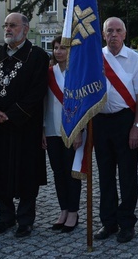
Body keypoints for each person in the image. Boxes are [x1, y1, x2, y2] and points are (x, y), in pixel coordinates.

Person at [0, 13, 48, 238]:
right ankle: (5, 216)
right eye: (5, 25)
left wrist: (11, 114)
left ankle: (25, 219)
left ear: (26, 29)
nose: (8, 29)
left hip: (24, 126)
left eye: (13, 25)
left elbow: (37, 91)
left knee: (27, 173)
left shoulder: (37, 56)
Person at [93, 17, 138, 243]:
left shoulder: (135, 58)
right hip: (100, 121)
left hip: (125, 121)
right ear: (104, 35)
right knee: (105, 175)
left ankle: (126, 222)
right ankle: (108, 222)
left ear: (124, 34)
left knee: (127, 175)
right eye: (110, 31)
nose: (114, 34)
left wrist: (137, 126)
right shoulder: (95, 58)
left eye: (118, 31)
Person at [44, 36, 82, 233]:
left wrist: (79, 132)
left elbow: (84, 105)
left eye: (63, 48)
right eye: (56, 48)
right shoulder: (49, 73)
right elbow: (44, 103)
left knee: (71, 172)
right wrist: (42, 129)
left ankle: (74, 211)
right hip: (51, 128)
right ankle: (63, 209)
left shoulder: (77, 73)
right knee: (58, 172)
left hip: (72, 130)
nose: (59, 51)